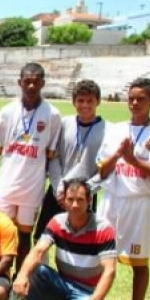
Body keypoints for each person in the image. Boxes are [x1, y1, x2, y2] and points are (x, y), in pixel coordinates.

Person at [96, 77, 150, 300]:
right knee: (99, 256)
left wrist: (133, 160)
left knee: (138, 262)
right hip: (111, 200)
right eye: (131, 98)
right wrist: (117, 156)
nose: (135, 103)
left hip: (138, 204)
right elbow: (102, 170)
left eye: (141, 98)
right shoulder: (116, 128)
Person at [14, 178, 117, 300]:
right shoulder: (57, 222)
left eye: (80, 200)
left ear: (89, 200)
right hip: (62, 283)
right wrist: (22, 274)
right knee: (36, 269)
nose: (75, 205)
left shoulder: (103, 228)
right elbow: (38, 251)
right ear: (63, 200)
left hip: (87, 291)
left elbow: (109, 271)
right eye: (70, 199)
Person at [0, 62, 62, 300]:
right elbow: (1, 148)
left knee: (24, 237)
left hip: (32, 187)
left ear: (43, 83)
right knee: (2, 235)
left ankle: (18, 285)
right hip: (6, 184)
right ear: (19, 82)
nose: (31, 85)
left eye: (36, 81)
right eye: (27, 80)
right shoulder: (7, 111)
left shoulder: (52, 115)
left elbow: (51, 154)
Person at [36, 79, 105, 246]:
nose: (85, 105)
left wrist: (88, 190)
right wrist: (58, 187)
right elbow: (54, 157)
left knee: (78, 241)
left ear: (98, 101)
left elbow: (106, 168)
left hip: (85, 194)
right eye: (80, 100)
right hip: (58, 191)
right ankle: (40, 272)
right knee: (41, 238)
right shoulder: (65, 123)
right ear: (74, 102)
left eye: (90, 101)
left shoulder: (107, 129)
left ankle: (71, 272)